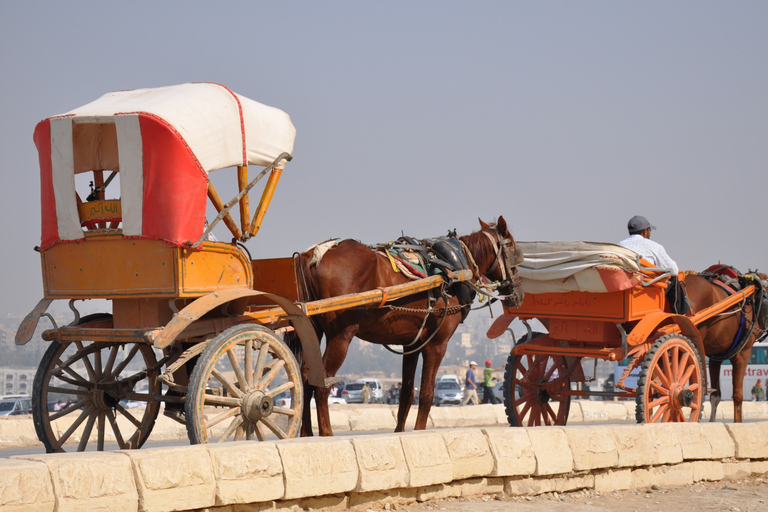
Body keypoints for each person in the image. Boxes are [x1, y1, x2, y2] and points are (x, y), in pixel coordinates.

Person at [619, 215, 686, 314]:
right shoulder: (654, 246)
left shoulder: (619, 245)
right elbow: (673, 270)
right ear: (645, 231)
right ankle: (680, 314)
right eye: (650, 230)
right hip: (645, 288)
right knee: (674, 279)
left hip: (623, 287)